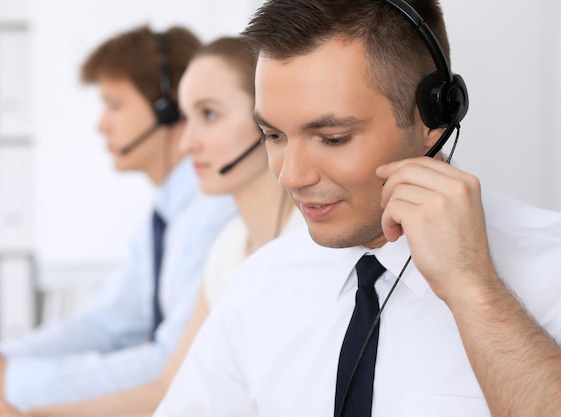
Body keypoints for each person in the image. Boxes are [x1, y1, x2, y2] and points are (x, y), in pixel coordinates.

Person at [152, 1, 561, 416]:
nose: (291, 177)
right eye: (273, 135)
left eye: (332, 138)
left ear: (435, 118)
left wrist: (476, 290)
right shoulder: (261, 284)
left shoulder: (550, 270)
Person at [0, 36, 304, 417]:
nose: (187, 141)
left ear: (269, 120)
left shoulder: (303, 246)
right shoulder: (229, 246)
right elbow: (166, 386)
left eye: (208, 115)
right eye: (186, 117)